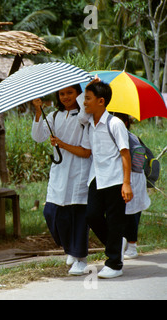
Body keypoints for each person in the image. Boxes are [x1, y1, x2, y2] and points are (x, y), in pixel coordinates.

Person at [31, 85, 92, 276]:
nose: (65, 97)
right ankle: (71, 249)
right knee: (52, 212)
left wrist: (62, 143)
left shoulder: (84, 116)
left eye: (70, 93)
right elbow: (38, 136)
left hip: (79, 171)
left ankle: (80, 259)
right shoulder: (55, 116)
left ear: (78, 95)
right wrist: (38, 111)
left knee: (78, 215)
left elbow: (85, 150)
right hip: (59, 171)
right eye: (62, 93)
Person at [82, 81, 133, 279]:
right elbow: (87, 152)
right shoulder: (90, 125)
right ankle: (117, 243)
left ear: (101, 101)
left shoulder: (115, 124)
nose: (84, 102)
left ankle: (115, 264)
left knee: (114, 221)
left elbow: (125, 154)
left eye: (88, 98)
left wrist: (126, 183)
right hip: (96, 177)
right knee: (92, 216)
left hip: (115, 178)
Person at [112, 113, 151, 259]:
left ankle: (132, 245)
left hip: (132, 178)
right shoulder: (123, 136)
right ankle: (124, 243)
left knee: (132, 214)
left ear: (126, 123)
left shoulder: (130, 138)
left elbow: (136, 162)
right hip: (126, 178)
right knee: (123, 213)